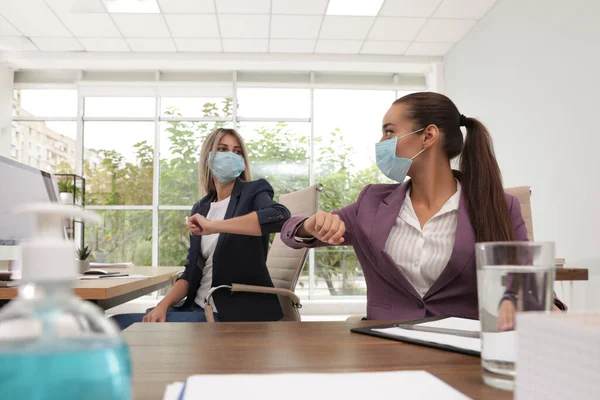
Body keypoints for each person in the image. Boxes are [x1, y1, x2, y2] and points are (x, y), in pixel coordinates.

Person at [281, 92, 565, 321]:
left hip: (464, 351)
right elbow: (290, 234)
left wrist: (544, 306)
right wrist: (310, 225)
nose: (381, 143)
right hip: (385, 346)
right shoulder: (372, 201)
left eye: (389, 132)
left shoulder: (500, 206)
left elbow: (527, 282)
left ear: (428, 136)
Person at [112, 128, 290, 330]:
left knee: (117, 324)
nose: (231, 156)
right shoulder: (201, 208)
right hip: (196, 306)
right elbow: (191, 272)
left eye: (237, 151)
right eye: (222, 149)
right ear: (208, 157)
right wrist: (162, 305)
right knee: (133, 320)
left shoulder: (254, 191)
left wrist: (214, 227)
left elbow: (280, 216)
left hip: (228, 312)